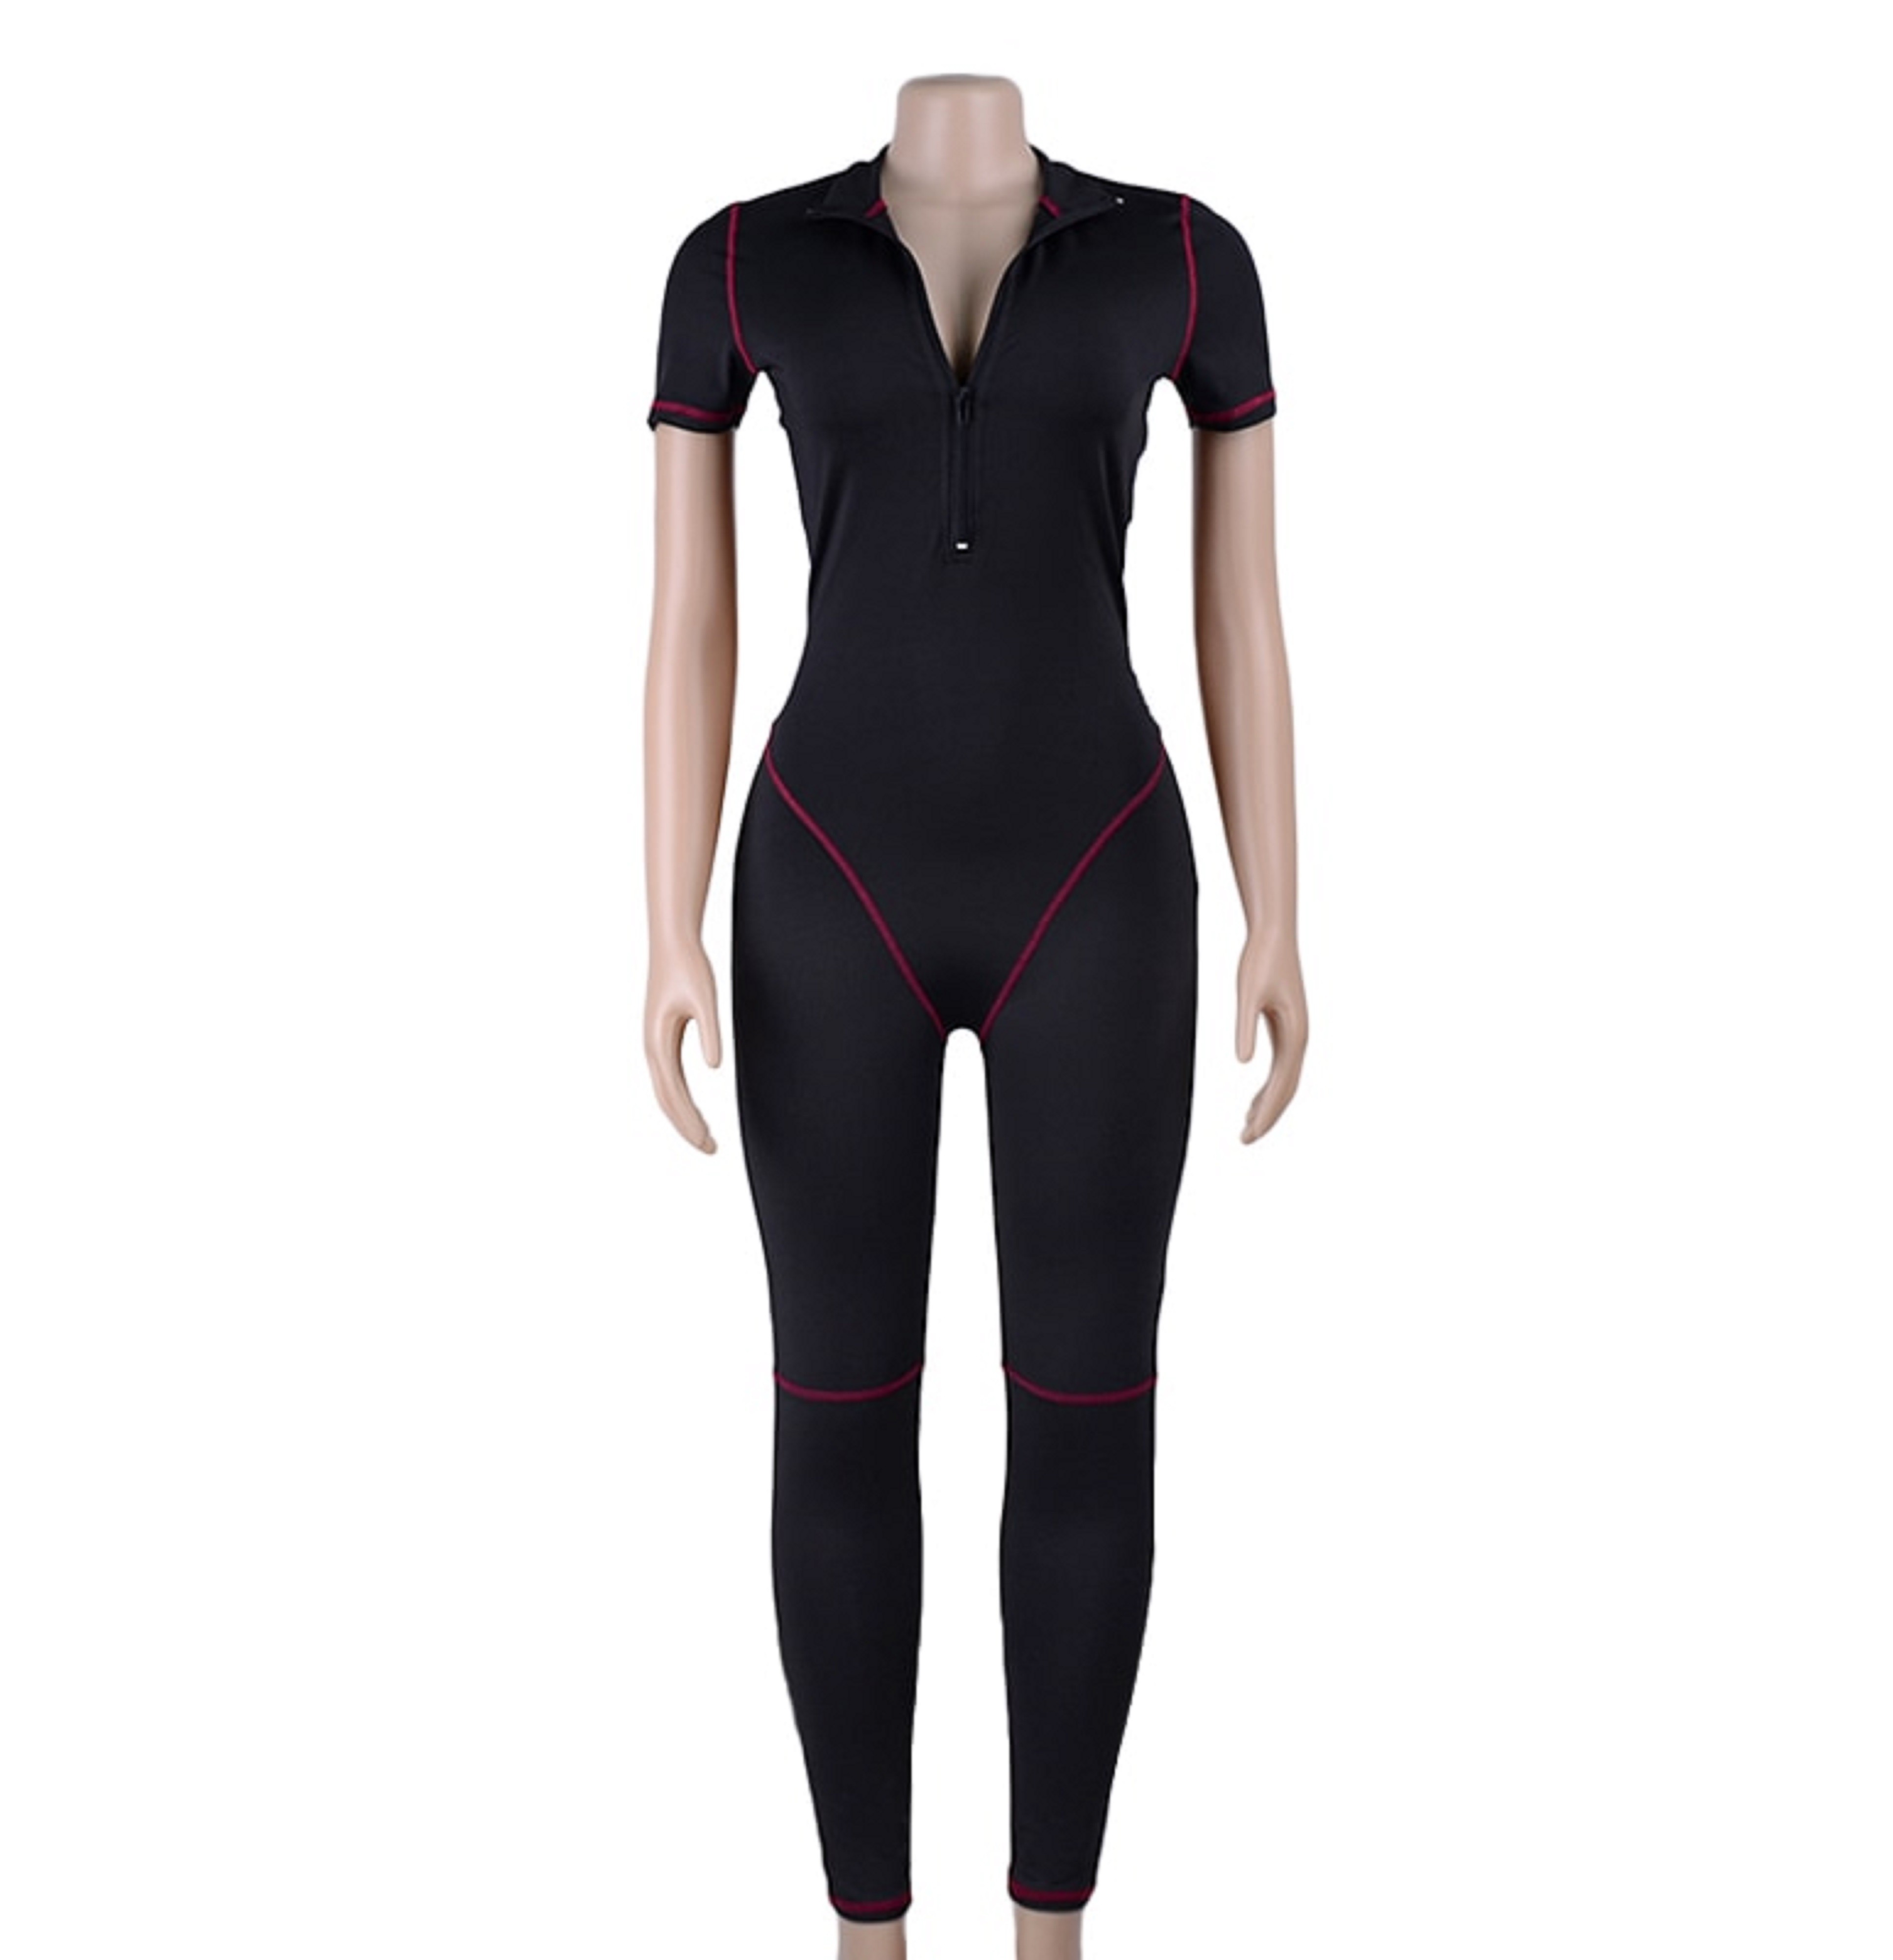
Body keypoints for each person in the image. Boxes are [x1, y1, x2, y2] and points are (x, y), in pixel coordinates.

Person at [640, 75, 1308, 1960]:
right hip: (823, 889)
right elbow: (688, 622)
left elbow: (1244, 614)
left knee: (1087, 1424)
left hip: (1098, 886)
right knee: (836, 1419)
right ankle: (868, 1936)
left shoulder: (1186, 259)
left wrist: (1278, 909)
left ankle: (1050, 1935)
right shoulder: (738, 263)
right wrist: (667, 926)